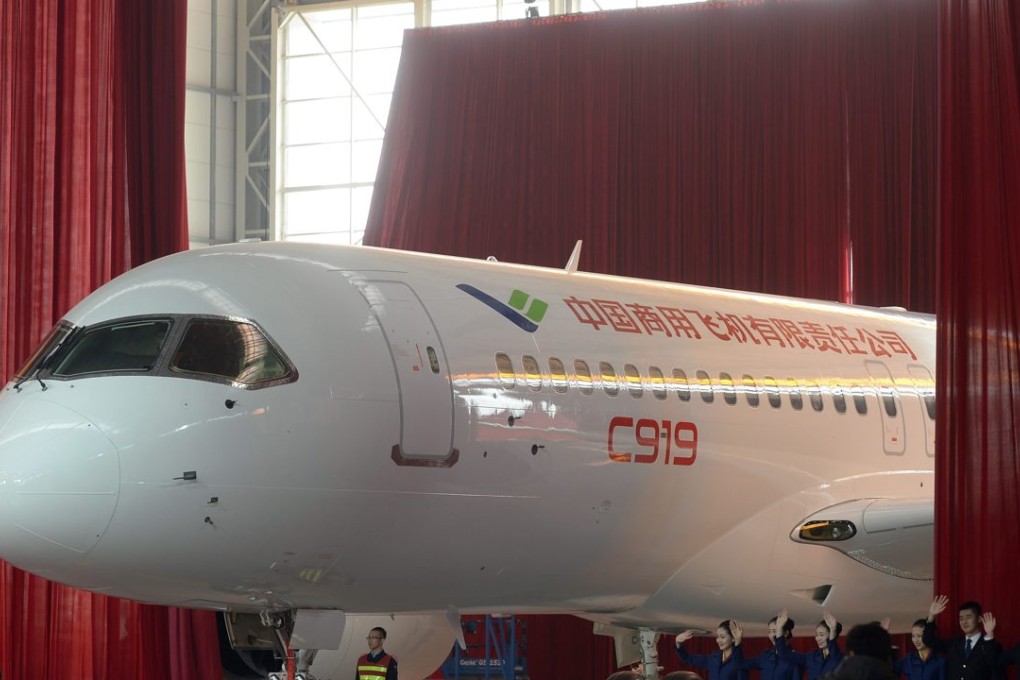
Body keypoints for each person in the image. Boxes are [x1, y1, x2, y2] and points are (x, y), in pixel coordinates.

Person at [921, 596, 1001, 680]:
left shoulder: (990, 644)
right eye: (961, 618)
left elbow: (994, 663)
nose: (964, 622)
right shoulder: (954, 643)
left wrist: (989, 634)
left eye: (968, 617)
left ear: (979, 619)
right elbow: (928, 640)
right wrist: (931, 616)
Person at [779, 611, 844, 680]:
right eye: (816, 635)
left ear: (831, 635)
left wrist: (832, 629)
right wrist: (779, 628)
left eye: (821, 635)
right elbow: (784, 653)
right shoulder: (812, 656)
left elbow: (834, 654)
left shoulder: (841, 658)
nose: (818, 638)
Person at [676, 620, 747, 680]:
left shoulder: (740, 662)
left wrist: (738, 642)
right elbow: (688, 658)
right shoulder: (713, 658)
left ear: (733, 638)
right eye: (718, 636)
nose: (718, 640)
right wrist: (678, 642)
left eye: (722, 637)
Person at [741, 610, 800, 680]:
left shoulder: (795, 659)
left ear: (786, 633)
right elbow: (741, 664)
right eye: (769, 632)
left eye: (775, 631)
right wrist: (737, 642)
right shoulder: (765, 657)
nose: (772, 635)